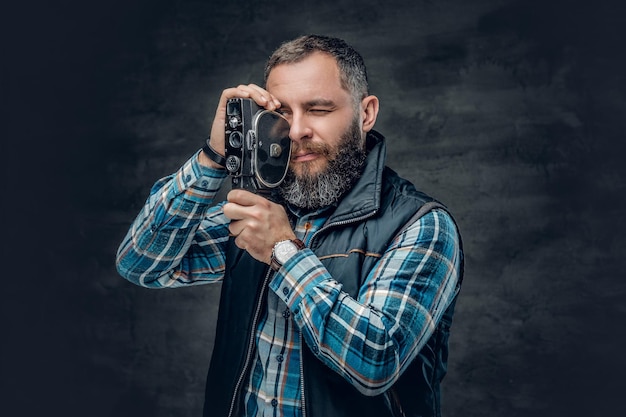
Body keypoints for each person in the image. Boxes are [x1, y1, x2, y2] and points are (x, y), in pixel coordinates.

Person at [116, 34, 464, 417]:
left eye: (318, 109)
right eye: (282, 113)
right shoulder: (264, 209)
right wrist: (214, 155)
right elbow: (142, 263)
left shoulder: (421, 225)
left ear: (366, 113)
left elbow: (375, 362)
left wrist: (284, 251)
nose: (296, 131)